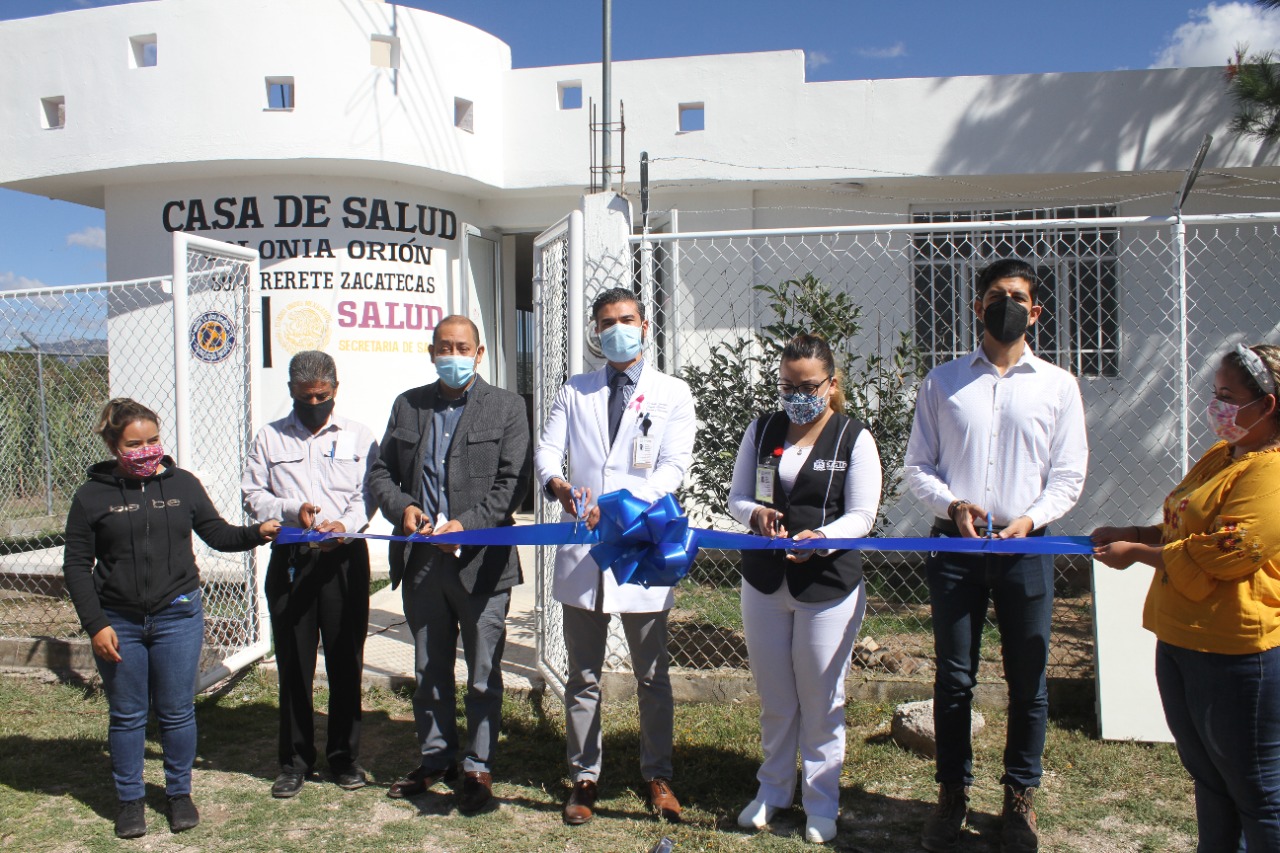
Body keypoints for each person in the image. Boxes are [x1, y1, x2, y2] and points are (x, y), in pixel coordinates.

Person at [904, 258, 1088, 853]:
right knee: (954, 678)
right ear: (977, 307)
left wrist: (1031, 519)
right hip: (955, 547)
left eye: (1017, 297)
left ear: (1035, 311)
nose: (1005, 305)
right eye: (993, 296)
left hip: (1026, 547)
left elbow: (1068, 474)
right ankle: (952, 793)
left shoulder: (1058, 385)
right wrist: (954, 503)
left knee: (1028, 680)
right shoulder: (943, 382)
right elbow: (917, 467)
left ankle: (1019, 799)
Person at [63, 398, 281, 839]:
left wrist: (257, 533)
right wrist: (96, 624)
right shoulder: (91, 496)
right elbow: (76, 565)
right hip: (117, 622)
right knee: (127, 715)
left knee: (177, 711)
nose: (147, 450)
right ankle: (129, 801)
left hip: (178, 616)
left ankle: (179, 793)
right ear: (112, 444)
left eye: (154, 440)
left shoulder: (182, 484)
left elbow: (216, 534)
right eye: (134, 444)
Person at [1092, 343, 1280, 850]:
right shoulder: (1224, 455)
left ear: (1266, 405)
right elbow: (1182, 526)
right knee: (1211, 781)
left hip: (1237, 654)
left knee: (1257, 791)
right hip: (1182, 639)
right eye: (1214, 393)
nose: (1216, 405)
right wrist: (1135, 531)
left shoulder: (1272, 473)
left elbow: (1227, 552)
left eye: (1227, 395)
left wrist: (1137, 552)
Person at [534, 286, 696, 825]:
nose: (617, 330)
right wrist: (558, 486)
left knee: (652, 674)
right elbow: (548, 453)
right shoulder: (574, 391)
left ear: (646, 327)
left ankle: (658, 774)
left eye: (626, 319)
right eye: (606, 322)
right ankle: (584, 776)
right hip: (583, 545)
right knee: (583, 674)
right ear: (594, 331)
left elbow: (673, 468)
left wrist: (622, 507)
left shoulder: (672, 392)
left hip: (641, 548)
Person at [366, 315, 531, 815]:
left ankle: (479, 767)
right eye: (444, 347)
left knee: (483, 674)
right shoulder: (408, 405)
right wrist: (403, 509)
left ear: (479, 354)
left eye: (462, 347)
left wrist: (466, 524)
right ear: (431, 351)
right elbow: (381, 473)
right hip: (421, 564)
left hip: (481, 564)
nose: (452, 355)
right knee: (428, 670)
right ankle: (436, 757)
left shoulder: (507, 407)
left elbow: (512, 484)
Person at [727, 333, 883, 844]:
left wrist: (823, 537)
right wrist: (757, 513)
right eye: (787, 384)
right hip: (766, 581)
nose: (797, 394)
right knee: (776, 697)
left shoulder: (853, 437)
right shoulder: (763, 429)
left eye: (808, 384)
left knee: (821, 698)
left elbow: (862, 515)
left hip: (827, 586)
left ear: (831, 384)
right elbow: (737, 497)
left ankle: (821, 800)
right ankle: (772, 791)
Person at [242, 350, 379, 799]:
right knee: (294, 665)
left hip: (343, 559)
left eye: (322, 395)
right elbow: (252, 492)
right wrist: (289, 512)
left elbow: (368, 496)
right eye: (305, 397)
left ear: (335, 390)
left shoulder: (360, 437)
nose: (314, 403)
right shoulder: (269, 438)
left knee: (345, 661)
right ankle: (295, 761)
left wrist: (348, 525)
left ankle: (344, 757)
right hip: (292, 559)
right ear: (291, 393)